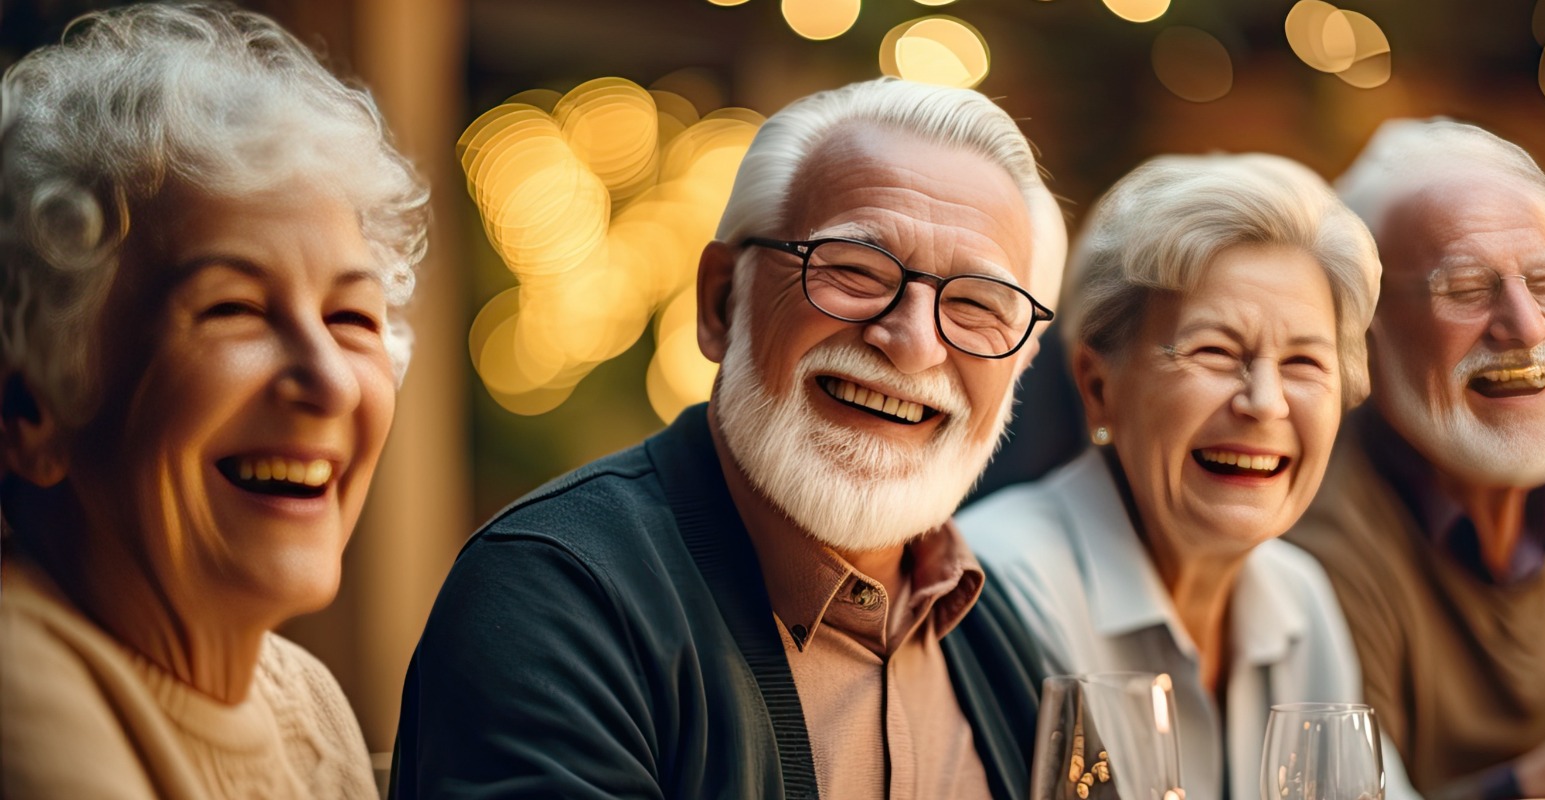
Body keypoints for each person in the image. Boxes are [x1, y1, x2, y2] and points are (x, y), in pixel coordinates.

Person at [389, 77, 1066, 799]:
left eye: (977, 306)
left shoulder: (1002, 635)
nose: (912, 344)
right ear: (720, 302)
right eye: (854, 270)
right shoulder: (552, 597)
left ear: (1020, 365)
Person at [0, 4, 429, 798]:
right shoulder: (20, 691)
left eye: (351, 318)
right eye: (232, 308)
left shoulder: (302, 696)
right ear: (28, 408)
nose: (330, 379)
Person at [960, 153, 1417, 800]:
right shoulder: (1000, 584)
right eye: (1214, 352)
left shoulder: (1302, 599)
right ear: (1098, 388)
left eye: (1304, 362)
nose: (1265, 402)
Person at [1285, 118, 1545, 800]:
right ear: (1364, 336)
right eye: (1465, 290)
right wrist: (1540, 786)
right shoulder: (1322, 550)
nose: (1526, 326)